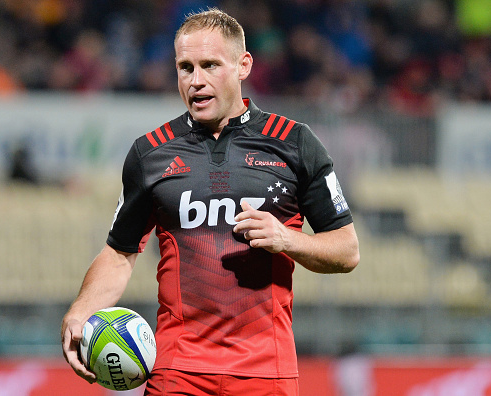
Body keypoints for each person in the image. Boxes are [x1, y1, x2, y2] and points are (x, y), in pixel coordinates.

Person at [61, 8, 359, 396]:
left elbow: (346, 250)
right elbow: (119, 253)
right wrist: (81, 309)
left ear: (243, 65)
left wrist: (288, 240)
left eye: (210, 65)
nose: (196, 81)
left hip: (265, 373)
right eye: (186, 68)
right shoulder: (150, 154)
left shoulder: (295, 143)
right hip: (177, 373)